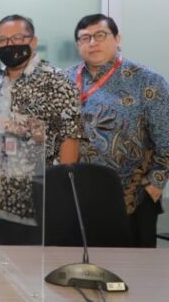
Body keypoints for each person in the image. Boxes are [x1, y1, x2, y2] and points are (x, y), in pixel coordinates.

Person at [69, 14, 167, 247]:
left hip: (132, 198)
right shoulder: (65, 79)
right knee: (80, 262)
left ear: (117, 39)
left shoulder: (147, 81)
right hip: (76, 197)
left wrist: (155, 184)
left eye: (100, 35)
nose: (93, 43)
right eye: (85, 38)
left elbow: (166, 137)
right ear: (78, 45)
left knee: (131, 267)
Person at [0, 14, 82, 245]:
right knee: (8, 259)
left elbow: (70, 137)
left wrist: (61, 190)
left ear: (33, 41)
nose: (10, 45)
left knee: (41, 260)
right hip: (3, 195)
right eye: (3, 40)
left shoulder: (56, 80)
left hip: (42, 196)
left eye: (17, 38)